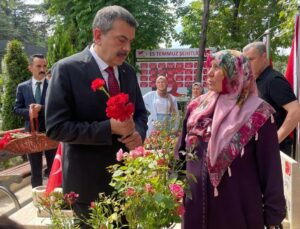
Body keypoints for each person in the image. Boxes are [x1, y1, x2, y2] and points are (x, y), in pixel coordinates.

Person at [45, 5, 148, 223]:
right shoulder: (67, 69)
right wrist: (108, 127)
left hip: (128, 180)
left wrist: (137, 133)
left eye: (130, 41)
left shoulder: (128, 72)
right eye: (121, 40)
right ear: (98, 35)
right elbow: (56, 127)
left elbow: (140, 113)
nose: (127, 47)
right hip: (88, 185)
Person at [177, 50, 286, 229]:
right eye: (209, 67)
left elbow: (270, 168)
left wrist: (273, 215)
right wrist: (174, 187)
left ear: (235, 72)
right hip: (196, 208)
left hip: (238, 212)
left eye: (217, 67)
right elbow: (180, 153)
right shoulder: (196, 107)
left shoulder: (259, 113)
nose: (209, 73)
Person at [243, 41, 300, 157]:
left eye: (251, 59)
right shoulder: (256, 81)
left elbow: (295, 111)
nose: (247, 64)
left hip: (276, 151)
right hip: (260, 147)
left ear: (264, 57)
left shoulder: (273, 80)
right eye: (245, 61)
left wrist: (274, 141)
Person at [13, 54, 56, 188]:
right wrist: (29, 112)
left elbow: (58, 106)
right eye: (38, 66)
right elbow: (16, 109)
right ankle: (38, 201)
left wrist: (41, 108)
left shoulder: (53, 85)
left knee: (54, 169)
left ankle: (55, 199)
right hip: (32, 135)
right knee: (36, 170)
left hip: (51, 133)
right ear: (30, 68)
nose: (42, 69)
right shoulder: (22, 87)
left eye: (44, 66)